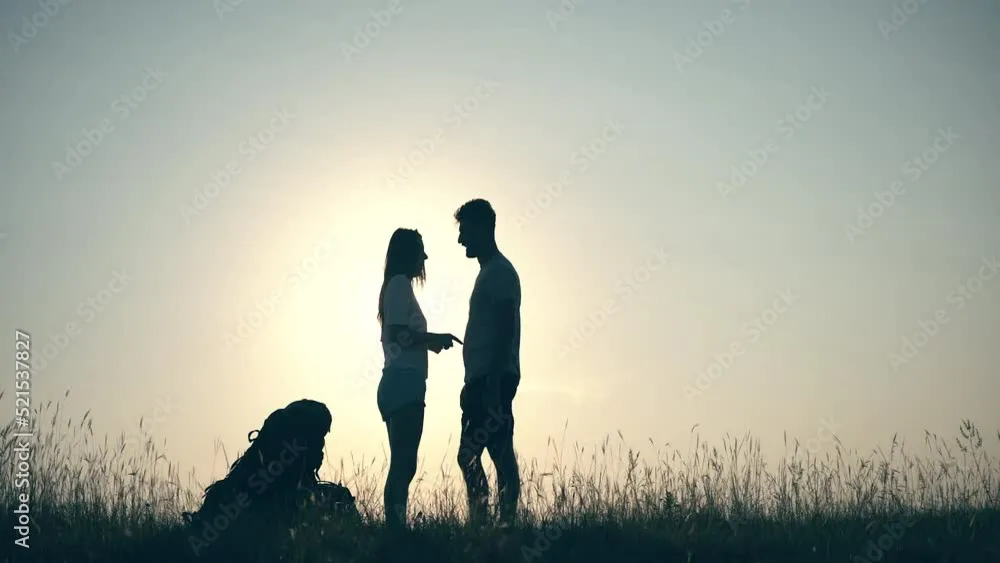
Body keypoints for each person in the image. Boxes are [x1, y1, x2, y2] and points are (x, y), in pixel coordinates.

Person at [376, 228, 462, 529]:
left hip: (398, 383)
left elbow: (400, 334)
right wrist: (432, 337)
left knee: (402, 463)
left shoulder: (397, 286)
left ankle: (395, 530)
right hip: (403, 383)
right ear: (408, 254)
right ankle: (395, 531)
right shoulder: (399, 285)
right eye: (420, 250)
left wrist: (428, 342)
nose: (424, 257)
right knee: (403, 465)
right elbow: (396, 334)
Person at [453, 199, 522, 525]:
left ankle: (493, 524)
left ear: (481, 228)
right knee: (493, 452)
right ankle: (492, 525)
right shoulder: (490, 273)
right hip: (482, 380)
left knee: (480, 455)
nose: (461, 239)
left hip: (491, 381)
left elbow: (506, 328)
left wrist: (493, 384)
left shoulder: (499, 273)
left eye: (464, 231)